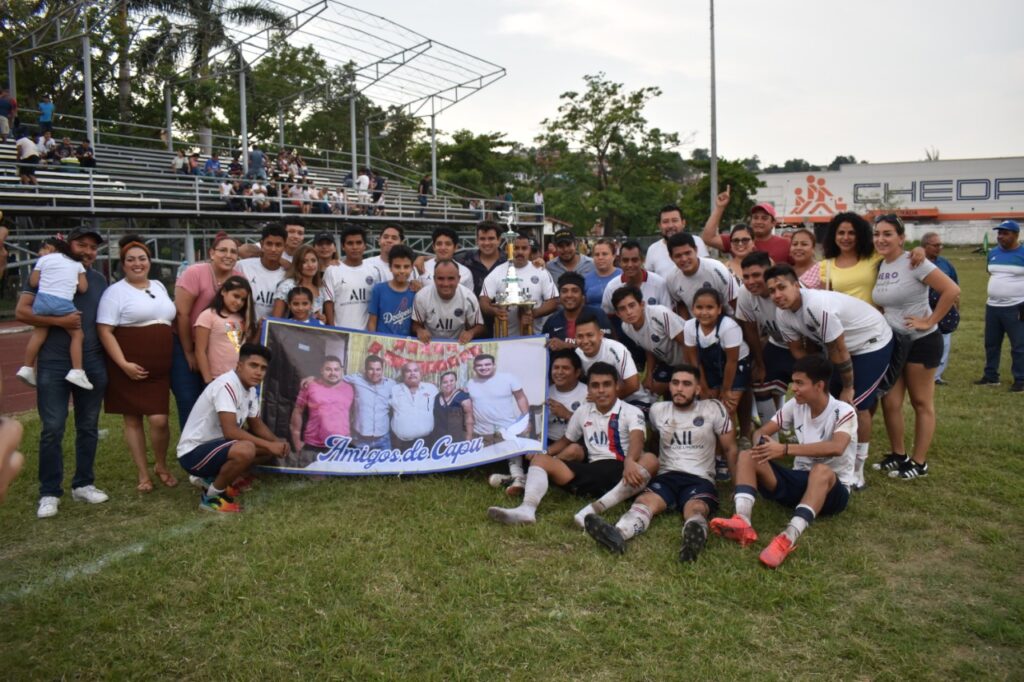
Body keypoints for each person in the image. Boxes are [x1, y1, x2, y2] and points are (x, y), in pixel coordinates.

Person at [710, 355, 856, 569]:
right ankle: (742, 520)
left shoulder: (843, 411)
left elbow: (837, 447)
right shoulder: (795, 405)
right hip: (800, 481)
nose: (793, 388)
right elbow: (760, 431)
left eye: (800, 383)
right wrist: (761, 444)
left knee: (821, 470)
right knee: (747, 455)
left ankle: (788, 537)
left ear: (819, 385)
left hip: (832, 490)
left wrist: (784, 449)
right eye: (793, 382)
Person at [584, 364, 737, 561]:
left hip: (699, 478)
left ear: (698, 389)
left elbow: (730, 449)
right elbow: (653, 441)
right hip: (667, 476)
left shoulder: (713, 409)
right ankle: (618, 534)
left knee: (696, 508)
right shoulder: (658, 410)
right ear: (669, 386)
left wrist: (736, 487)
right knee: (644, 502)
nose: (679, 388)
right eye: (675, 383)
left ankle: (693, 536)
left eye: (686, 384)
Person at [766, 264, 894, 490]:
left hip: (870, 341)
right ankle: (825, 457)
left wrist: (848, 387)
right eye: (771, 291)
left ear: (796, 285)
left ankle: (857, 470)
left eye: (781, 287)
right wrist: (815, 379)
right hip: (838, 348)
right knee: (828, 402)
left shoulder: (816, 306)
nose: (776, 295)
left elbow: (839, 350)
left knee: (855, 405)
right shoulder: (782, 313)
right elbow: (797, 350)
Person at [15, 226, 109, 519]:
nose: (88, 251)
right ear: (69, 246)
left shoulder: (98, 280)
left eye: (93, 247)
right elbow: (22, 312)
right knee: (53, 428)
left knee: (88, 426)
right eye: (82, 245)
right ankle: (49, 492)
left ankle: (83, 484)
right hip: (53, 362)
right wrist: (61, 322)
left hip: (91, 362)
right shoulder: (47, 269)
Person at [486, 362, 650, 526]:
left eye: (606, 384)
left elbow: (637, 439)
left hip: (622, 472)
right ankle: (526, 510)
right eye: (595, 385)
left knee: (650, 459)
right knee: (541, 459)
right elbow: (566, 440)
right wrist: (542, 452)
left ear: (617, 386)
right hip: (591, 470)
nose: (601, 390)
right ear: (588, 389)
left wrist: (629, 461)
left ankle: (593, 509)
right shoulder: (583, 411)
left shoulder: (631, 411)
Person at [872, 214, 960, 480]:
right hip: (894, 342)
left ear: (901, 238)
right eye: (877, 234)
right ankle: (899, 455)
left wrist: (930, 320)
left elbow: (951, 290)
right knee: (890, 401)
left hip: (922, 341)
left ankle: (919, 463)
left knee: (921, 402)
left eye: (887, 234)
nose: (881, 239)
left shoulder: (915, 261)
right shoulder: (881, 265)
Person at [96, 236, 178, 492]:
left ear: (149, 262)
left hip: (160, 369)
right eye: (130, 260)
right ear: (123, 264)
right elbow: (105, 331)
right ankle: (143, 474)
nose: (137, 264)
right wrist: (123, 364)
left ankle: (161, 465)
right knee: (132, 420)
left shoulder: (159, 286)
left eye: (142, 258)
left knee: (159, 420)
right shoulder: (114, 292)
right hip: (129, 368)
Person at [176, 343, 289, 513]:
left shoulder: (250, 390)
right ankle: (211, 498)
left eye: (263, 368)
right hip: (193, 453)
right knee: (247, 449)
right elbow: (230, 432)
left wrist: (277, 443)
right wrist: (269, 445)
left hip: (216, 448)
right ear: (239, 365)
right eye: (253, 365)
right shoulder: (226, 385)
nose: (258, 372)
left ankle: (212, 479)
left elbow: (256, 424)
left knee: (267, 450)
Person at [172, 233, 242, 429]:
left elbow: (239, 316)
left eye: (233, 252)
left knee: (217, 397)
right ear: (212, 253)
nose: (228, 255)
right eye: (223, 250)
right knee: (188, 397)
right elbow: (182, 314)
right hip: (186, 341)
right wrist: (189, 352)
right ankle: (190, 442)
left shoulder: (239, 277)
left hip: (219, 346)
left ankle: (216, 442)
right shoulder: (195, 272)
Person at [17, 238, 92, 390]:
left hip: (42, 301)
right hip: (63, 303)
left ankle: (27, 367)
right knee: (77, 335)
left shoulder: (43, 260)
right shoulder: (77, 264)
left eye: (42, 249)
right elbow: (83, 288)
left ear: (50, 248)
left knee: (39, 334)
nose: (40, 253)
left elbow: (33, 282)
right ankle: (77, 371)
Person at [735, 251, 793, 427]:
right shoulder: (744, 292)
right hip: (778, 344)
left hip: (806, 345)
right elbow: (750, 330)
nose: (750, 281)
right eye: (746, 276)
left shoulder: (788, 290)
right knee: (760, 382)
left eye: (756, 275)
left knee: (809, 387)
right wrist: (760, 364)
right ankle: (770, 436)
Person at [467, 353, 531, 493]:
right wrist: (470, 433)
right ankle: (511, 478)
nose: (484, 367)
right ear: (474, 368)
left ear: (494, 365)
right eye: (479, 365)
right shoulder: (470, 383)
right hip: (482, 433)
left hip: (507, 429)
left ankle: (518, 478)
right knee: (483, 470)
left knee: (512, 450)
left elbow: (521, 398)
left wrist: (526, 419)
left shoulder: (508, 378)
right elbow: (468, 408)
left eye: (487, 364)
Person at [612, 285, 686, 398]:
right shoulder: (626, 327)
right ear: (618, 314)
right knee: (651, 389)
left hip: (692, 359)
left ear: (642, 305)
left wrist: (693, 373)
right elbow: (649, 347)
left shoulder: (660, 313)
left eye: (632, 305)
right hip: (669, 363)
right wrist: (649, 375)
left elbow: (688, 344)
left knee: (678, 390)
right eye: (622, 309)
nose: (629, 312)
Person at [977, 220, 1024, 392]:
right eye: (999, 233)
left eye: (1005, 233)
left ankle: (1020, 379)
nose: (1000, 236)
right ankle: (991, 376)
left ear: (1016, 235)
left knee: (1019, 346)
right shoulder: (993, 253)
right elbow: (992, 273)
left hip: (1017, 306)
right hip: (993, 307)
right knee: (991, 344)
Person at [480, 233, 559, 336]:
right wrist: (494, 311)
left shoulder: (540, 271)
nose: (520, 252)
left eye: (524, 248)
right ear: (508, 249)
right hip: (504, 338)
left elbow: (553, 301)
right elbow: (483, 301)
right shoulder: (497, 272)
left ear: (529, 250)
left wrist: (534, 313)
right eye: (516, 248)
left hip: (534, 337)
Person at [288, 355, 354, 467]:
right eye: (328, 369)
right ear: (321, 370)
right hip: (313, 447)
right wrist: (296, 441)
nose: (333, 373)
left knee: (337, 477)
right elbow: (298, 411)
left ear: (341, 371)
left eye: (336, 369)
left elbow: (353, 413)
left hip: (341, 447)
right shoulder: (310, 386)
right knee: (313, 477)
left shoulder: (350, 388)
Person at [701, 187, 793, 265]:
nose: (759, 221)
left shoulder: (786, 244)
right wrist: (720, 207)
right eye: (755, 217)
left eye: (764, 218)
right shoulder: (738, 241)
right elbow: (708, 238)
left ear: (773, 223)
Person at [574, 312, 652, 405]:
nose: (585, 341)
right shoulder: (577, 353)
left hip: (633, 401)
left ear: (600, 335)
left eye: (590, 335)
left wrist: (603, 401)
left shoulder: (616, 349)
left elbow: (633, 385)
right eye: (580, 336)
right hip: (599, 403)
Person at [194, 275, 256, 385]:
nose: (239, 302)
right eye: (236, 296)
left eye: (243, 299)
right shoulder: (208, 315)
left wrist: (259, 328)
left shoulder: (241, 318)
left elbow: (242, 348)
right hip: (215, 379)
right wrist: (208, 380)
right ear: (223, 291)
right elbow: (200, 351)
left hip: (236, 379)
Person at [323, 225, 383, 330]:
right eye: (350, 243)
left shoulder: (374, 271)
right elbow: (329, 302)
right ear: (343, 246)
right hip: (341, 332)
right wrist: (333, 330)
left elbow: (378, 303)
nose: (355, 247)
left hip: (367, 333)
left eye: (359, 243)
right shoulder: (332, 271)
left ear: (365, 246)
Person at [665, 232, 736, 318]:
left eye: (687, 253)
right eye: (678, 256)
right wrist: (686, 324)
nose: (684, 259)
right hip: (695, 323)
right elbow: (681, 305)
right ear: (671, 257)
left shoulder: (717, 270)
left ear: (696, 250)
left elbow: (734, 304)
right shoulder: (671, 278)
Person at [412, 259, 484, 343]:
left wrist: (471, 333)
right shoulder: (422, 296)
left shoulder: (469, 297)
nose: (446, 284)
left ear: (458, 279)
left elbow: (480, 327)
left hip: (459, 344)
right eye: (440, 278)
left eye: (451, 278)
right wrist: (419, 331)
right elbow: (415, 324)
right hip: (430, 344)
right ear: (434, 279)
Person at [920, 232, 959, 384]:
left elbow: (955, 287)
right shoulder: (916, 262)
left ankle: (936, 376)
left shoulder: (946, 264)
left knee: (944, 341)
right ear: (925, 246)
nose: (939, 248)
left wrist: (956, 308)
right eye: (935, 245)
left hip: (943, 309)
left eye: (940, 245)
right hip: (921, 308)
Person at [543, 272, 612, 351]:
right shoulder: (552, 321)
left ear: (583, 296)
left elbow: (608, 347)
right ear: (559, 296)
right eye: (564, 291)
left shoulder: (598, 315)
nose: (569, 295)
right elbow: (543, 349)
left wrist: (567, 346)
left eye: (575, 291)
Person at [237, 223, 287, 323]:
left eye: (278, 245)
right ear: (262, 244)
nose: (273, 249)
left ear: (284, 246)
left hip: (273, 331)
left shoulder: (288, 276)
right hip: (243, 327)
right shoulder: (242, 266)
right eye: (269, 244)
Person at [271, 244, 333, 324]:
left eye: (313, 260)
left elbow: (316, 317)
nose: (310, 265)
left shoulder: (320, 288)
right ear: (297, 264)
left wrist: (321, 319)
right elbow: (275, 320)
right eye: (304, 262)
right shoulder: (287, 286)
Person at [344, 355, 396, 450]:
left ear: (382, 370)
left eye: (378, 369)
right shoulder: (356, 379)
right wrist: (315, 379)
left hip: (383, 439)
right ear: (365, 369)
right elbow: (335, 378)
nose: (375, 373)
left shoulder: (391, 384)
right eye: (371, 369)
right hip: (359, 439)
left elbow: (406, 388)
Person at [645, 204, 709, 280]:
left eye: (674, 220)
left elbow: (706, 271)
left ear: (683, 223)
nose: (670, 226)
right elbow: (650, 280)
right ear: (659, 225)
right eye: (665, 222)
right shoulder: (653, 249)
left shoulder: (696, 241)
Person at [368, 245, 416, 336]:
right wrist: (372, 339)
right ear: (390, 267)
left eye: (406, 267)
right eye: (397, 266)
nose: (402, 271)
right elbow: (372, 322)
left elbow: (417, 324)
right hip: (381, 342)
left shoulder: (415, 291)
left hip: (407, 343)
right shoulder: (378, 290)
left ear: (412, 268)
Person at [389, 361, 438, 451]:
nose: (412, 373)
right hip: (400, 443)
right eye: (408, 371)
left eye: (415, 370)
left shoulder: (431, 389)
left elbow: (445, 401)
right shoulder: (394, 389)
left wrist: (460, 391)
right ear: (403, 374)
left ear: (421, 373)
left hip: (427, 441)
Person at [545, 349, 587, 446]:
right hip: (547, 442)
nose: (559, 372)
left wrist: (567, 414)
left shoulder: (588, 394)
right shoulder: (545, 392)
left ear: (577, 372)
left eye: (565, 368)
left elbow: (592, 428)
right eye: (556, 367)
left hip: (576, 443)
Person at [456, 220, 507, 297]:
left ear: (499, 240)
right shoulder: (464, 260)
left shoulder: (509, 261)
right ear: (477, 240)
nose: (486, 243)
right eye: (482, 239)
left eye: (491, 238)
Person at [433, 371, 473, 443]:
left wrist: (469, 437)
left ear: (455, 381)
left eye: (451, 381)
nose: (449, 384)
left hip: (457, 439)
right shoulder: (437, 397)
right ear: (441, 383)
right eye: (445, 382)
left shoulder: (463, 396)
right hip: (439, 439)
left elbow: (469, 418)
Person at [584, 238, 621, 307]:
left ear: (613, 256)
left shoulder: (622, 276)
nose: (600, 257)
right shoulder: (586, 279)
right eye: (597, 254)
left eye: (604, 254)